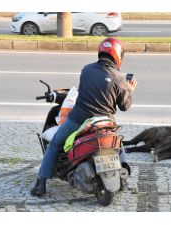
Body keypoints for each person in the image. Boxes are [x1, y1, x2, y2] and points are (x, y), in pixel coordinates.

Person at [30, 37, 137, 196]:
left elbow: (86, 91)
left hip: (79, 119)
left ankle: (40, 185)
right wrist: (129, 89)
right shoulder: (120, 78)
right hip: (105, 121)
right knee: (116, 142)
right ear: (118, 55)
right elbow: (124, 106)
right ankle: (124, 175)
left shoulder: (86, 69)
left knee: (55, 145)